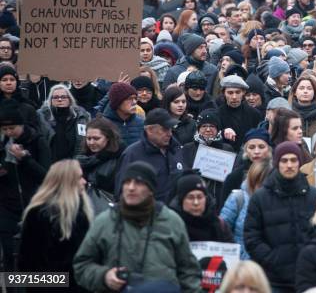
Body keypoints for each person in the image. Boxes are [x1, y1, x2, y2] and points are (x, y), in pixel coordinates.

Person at [73, 161, 201, 292]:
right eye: (127, 182)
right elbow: (82, 266)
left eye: (138, 183)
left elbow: (189, 271)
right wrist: (104, 276)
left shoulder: (171, 221)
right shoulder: (105, 221)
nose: (131, 188)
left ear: (151, 189)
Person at [244, 141, 316, 293]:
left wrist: (311, 258)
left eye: (294, 160)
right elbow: (252, 237)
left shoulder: (314, 196)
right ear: (277, 163)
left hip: (308, 277)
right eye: (284, 160)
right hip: (273, 279)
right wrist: (273, 259)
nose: (289, 165)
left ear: (299, 163)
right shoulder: (261, 197)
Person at [18, 160, 92, 292]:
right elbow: (29, 258)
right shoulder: (40, 214)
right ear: (67, 181)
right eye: (80, 177)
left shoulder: (80, 212)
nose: (84, 182)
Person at [0, 99, 51, 271]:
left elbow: (46, 176)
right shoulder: (3, 143)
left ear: (21, 125)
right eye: (5, 129)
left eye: (12, 128)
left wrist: (25, 159)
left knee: (33, 255)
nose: (9, 132)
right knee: (9, 254)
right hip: (7, 205)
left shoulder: (37, 141)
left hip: (34, 204)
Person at [115, 108, 185, 202]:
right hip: (146, 213)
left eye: (170, 129)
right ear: (150, 130)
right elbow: (121, 192)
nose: (169, 133)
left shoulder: (176, 149)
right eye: (164, 129)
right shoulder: (132, 154)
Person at [221, 160, 273, 260]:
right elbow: (222, 231)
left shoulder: (277, 202)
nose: (263, 187)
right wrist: (238, 254)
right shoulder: (238, 198)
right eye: (259, 182)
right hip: (240, 264)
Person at [169, 172, 234, 242]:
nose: (196, 203)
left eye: (200, 197)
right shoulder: (170, 227)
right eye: (190, 198)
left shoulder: (220, 226)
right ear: (181, 200)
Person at [38, 84, 91, 162]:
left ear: (69, 99)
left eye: (63, 97)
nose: (60, 99)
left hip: (75, 163)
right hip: (50, 163)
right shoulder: (42, 117)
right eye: (55, 97)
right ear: (50, 100)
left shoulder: (81, 116)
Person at [76, 117, 125, 196]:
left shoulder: (120, 158)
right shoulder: (83, 158)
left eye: (96, 138)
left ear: (108, 138)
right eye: (88, 138)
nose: (91, 142)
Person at [222, 127, 272, 203]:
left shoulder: (276, 174)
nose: (256, 151)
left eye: (261, 147)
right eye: (251, 147)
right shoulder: (235, 177)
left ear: (269, 149)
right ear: (246, 150)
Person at [218, 75, 263, 152]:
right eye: (230, 93)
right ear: (224, 93)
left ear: (243, 92)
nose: (234, 97)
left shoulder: (255, 114)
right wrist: (222, 133)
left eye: (238, 92)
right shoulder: (217, 114)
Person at [102, 82, 145, 147]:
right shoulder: (102, 125)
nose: (134, 102)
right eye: (129, 99)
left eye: (135, 98)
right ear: (117, 102)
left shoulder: (141, 122)